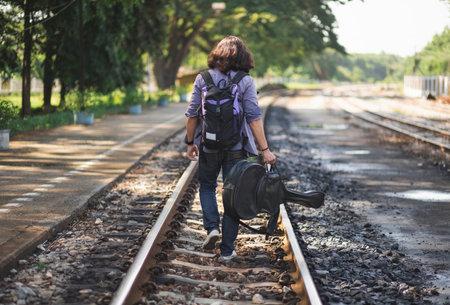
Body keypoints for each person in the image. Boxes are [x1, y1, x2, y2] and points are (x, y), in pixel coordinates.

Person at [185, 36, 276, 261]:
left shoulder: (202, 78)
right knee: (233, 196)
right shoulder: (245, 81)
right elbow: (254, 118)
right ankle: (227, 251)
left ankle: (212, 228)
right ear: (244, 57)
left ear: (216, 55)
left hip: (208, 147)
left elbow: (192, 114)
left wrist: (190, 143)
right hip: (236, 149)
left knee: (206, 186)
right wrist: (265, 150)